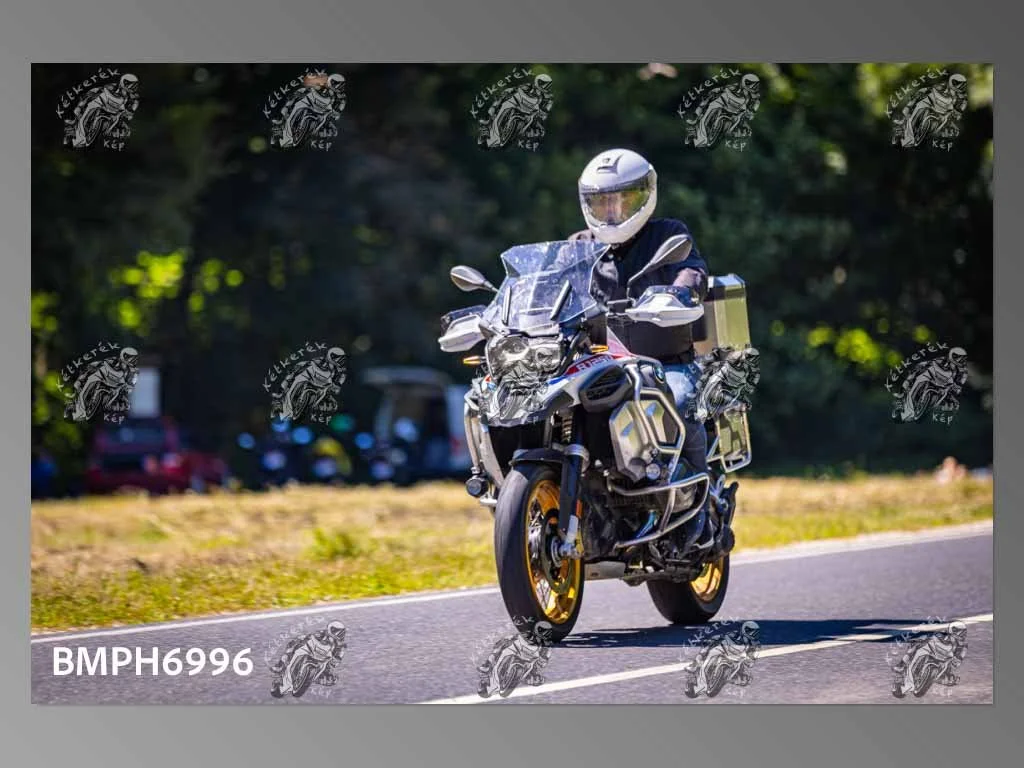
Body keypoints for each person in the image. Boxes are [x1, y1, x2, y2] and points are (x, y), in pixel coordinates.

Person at [568, 148, 712, 549]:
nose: (612, 211)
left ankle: (696, 508)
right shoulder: (578, 247)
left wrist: (680, 292)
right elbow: (549, 287)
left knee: (680, 402)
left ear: (644, 196)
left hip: (666, 363)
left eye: (622, 200)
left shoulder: (668, 236)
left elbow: (692, 270)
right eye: (602, 202)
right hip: (598, 366)